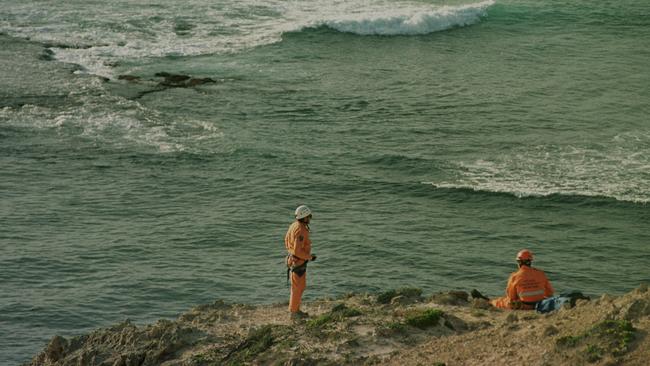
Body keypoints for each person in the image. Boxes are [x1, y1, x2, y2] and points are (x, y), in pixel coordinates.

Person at [488, 249, 554, 310]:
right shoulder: (540, 274)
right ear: (530, 261)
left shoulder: (515, 276)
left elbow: (511, 297)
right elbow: (550, 293)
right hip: (540, 304)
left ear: (519, 262)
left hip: (524, 306)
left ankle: (490, 302)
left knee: (502, 302)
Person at [285, 205, 317, 318]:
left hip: (293, 260)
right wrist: (309, 257)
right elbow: (298, 251)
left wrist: (291, 253)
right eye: (309, 216)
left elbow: (286, 240)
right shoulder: (301, 230)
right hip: (298, 262)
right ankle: (293, 312)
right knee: (298, 288)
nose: (310, 219)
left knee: (299, 286)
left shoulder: (294, 225)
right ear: (304, 217)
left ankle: (295, 309)